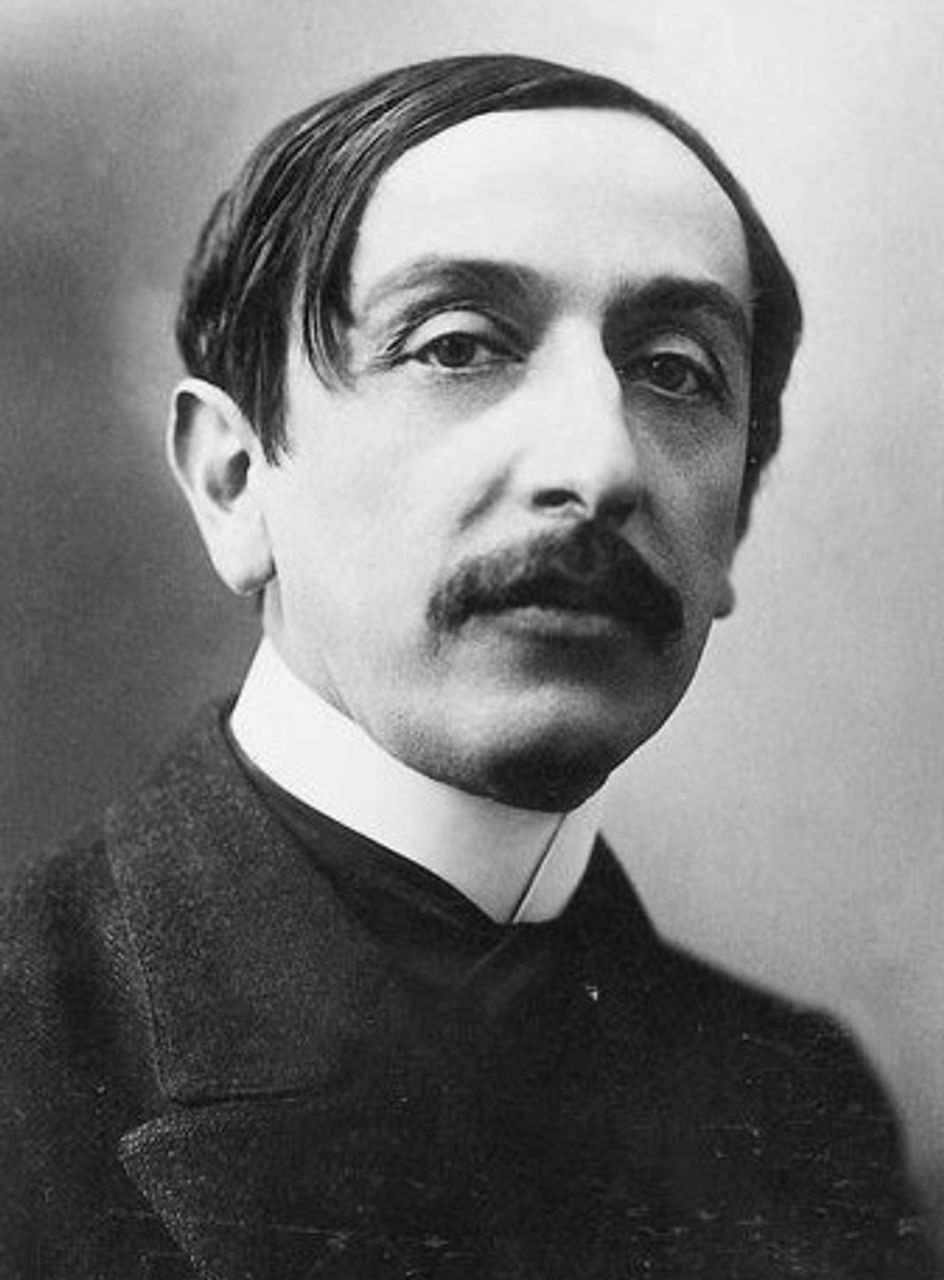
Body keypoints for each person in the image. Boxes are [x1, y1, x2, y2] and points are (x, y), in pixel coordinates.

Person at [0, 54, 936, 1279]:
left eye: (674, 371)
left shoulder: (801, 1103)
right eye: (456, 346)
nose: (598, 465)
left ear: (733, 532)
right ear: (233, 481)